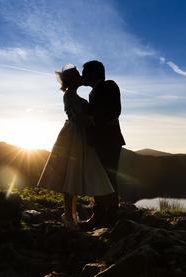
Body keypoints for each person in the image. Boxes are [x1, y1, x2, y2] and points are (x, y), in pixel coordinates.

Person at [37, 64, 114, 229]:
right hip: (75, 136)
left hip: (80, 135)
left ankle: (73, 215)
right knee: (70, 173)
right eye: (78, 74)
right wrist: (93, 123)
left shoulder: (74, 94)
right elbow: (79, 118)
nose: (81, 76)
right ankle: (69, 215)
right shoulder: (70, 96)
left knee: (74, 173)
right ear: (73, 79)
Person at [79, 60, 126, 230]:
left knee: (108, 177)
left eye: (85, 73)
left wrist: (90, 119)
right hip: (97, 142)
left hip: (109, 141)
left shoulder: (109, 86)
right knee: (97, 177)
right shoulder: (93, 92)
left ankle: (111, 215)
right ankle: (98, 214)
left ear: (94, 73)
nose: (83, 76)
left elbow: (114, 111)